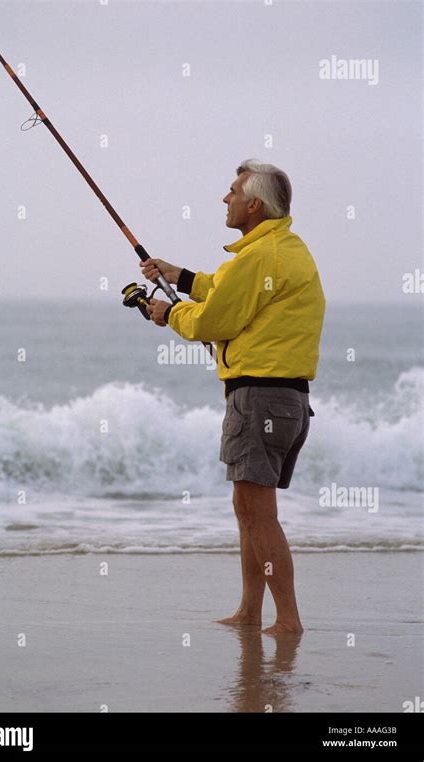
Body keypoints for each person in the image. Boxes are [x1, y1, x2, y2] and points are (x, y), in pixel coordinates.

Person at [142, 160, 326, 635]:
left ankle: (288, 620)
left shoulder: (260, 257)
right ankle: (250, 612)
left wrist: (165, 313)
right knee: (251, 511)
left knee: (257, 515)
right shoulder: (281, 249)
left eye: (232, 192)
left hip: (260, 399)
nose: (225, 200)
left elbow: (212, 322)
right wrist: (180, 277)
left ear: (254, 204)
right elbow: (228, 293)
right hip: (284, 399)